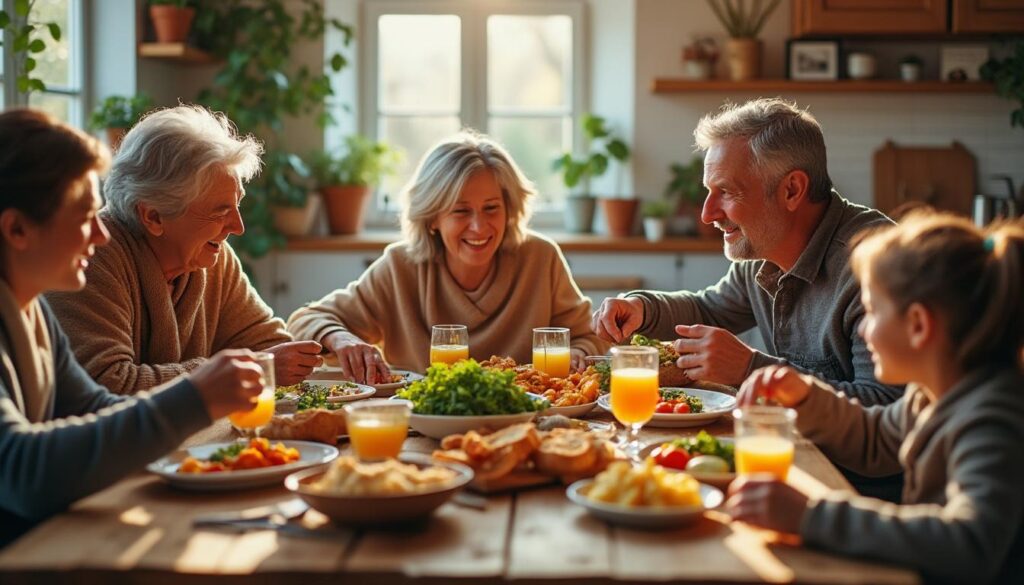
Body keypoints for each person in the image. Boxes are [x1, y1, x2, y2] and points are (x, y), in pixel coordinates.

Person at [0, 109, 268, 546]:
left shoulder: (30, 312)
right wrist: (196, 394)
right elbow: (23, 474)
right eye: (84, 216)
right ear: (16, 229)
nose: (101, 235)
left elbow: (95, 409)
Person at [728, 212, 1024, 584]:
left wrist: (812, 515)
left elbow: (970, 543)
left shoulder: (990, 419)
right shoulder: (932, 395)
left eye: (871, 311)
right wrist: (805, 397)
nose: (863, 329)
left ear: (918, 325)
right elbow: (875, 438)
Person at [592, 98, 900, 405]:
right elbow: (710, 311)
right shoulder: (764, 248)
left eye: (725, 192)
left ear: (791, 190)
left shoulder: (881, 266)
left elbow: (884, 407)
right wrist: (642, 309)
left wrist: (750, 369)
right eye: (708, 191)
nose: (707, 214)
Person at [287, 131, 606, 382]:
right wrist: (342, 339)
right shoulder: (401, 267)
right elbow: (305, 320)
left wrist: (578, 353)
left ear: (509, 208)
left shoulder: (541, 257)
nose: (479, 226)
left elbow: (587, 336)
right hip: (423, 425)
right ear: (432, 218)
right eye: (461, 211)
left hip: (525, 422)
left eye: (491, 208)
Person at [46, 105, 321, 394]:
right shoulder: (90, 257)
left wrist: (277, 360)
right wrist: (249, 368)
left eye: (237, 204)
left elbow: (272, 346)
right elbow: (109, 384)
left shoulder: (213, 257)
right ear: (153, 217)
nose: (238, 227)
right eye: (220, 211)